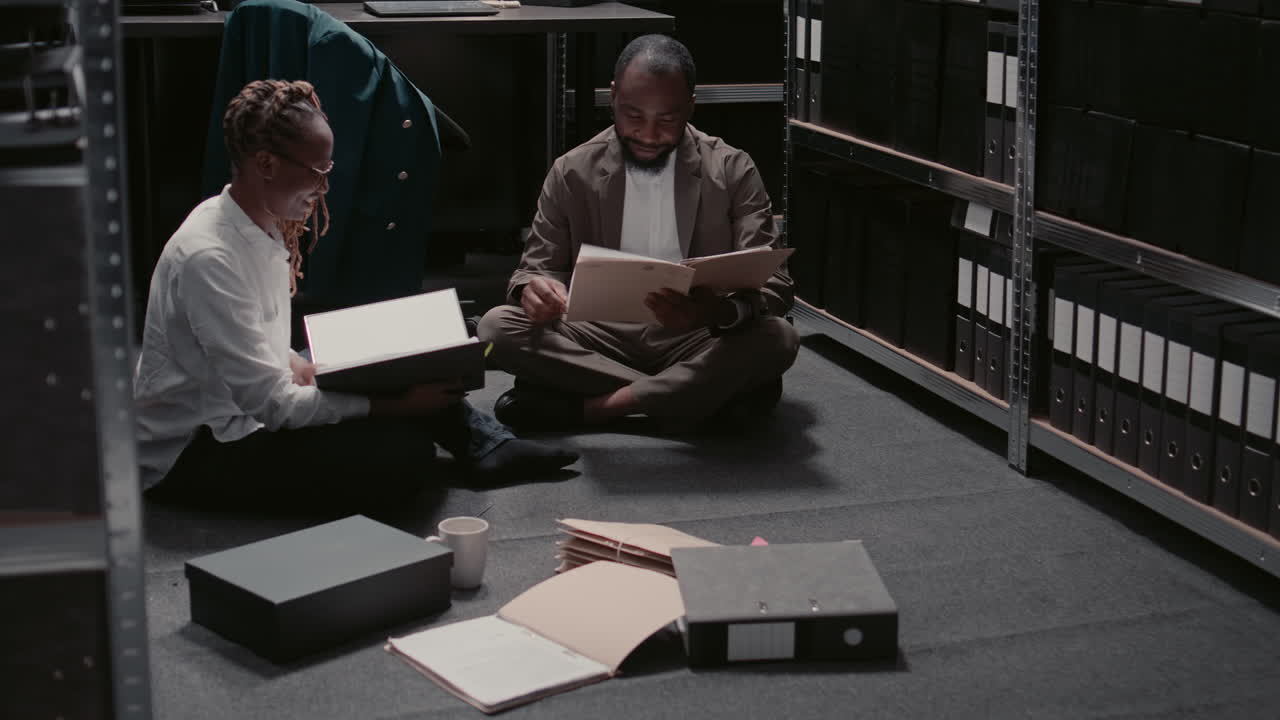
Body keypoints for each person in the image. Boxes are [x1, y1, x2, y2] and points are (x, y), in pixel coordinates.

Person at [135, 79, 576, 511]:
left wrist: (308, 367)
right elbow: (272, 405)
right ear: (267, 164)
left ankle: (485, 442)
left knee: (398, 358)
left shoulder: (256, 222)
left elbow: (254, 345)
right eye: (316, 173)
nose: (324, 188)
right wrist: (388, 405)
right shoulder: (210, 257)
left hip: (247, 407)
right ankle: (463, 439)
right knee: (401, 459)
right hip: (197, 447)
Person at [478, 35, 800, 432]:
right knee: (496, 327)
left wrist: (716, 311)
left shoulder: (732, 169)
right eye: (633, 115)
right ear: (612, 96)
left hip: (695, 333)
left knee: (778, 338)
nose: (648, 135)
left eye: (666, 119)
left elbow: (775, 285)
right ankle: (699, 397)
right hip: (598, 333)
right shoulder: (573, 170)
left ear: (691, 107)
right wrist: (534, 291)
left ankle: (597, 409)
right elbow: (534, 270)